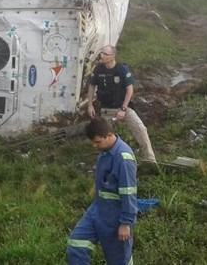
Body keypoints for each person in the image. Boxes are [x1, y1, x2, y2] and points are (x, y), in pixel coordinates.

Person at [67, 117, 138, 265]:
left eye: (97, 142)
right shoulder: (106, 151)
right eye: (93, 142)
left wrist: (126, 223)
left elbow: (128, 192)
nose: (95, 146)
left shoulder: (123, 158)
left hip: (115, 217)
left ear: (110, 135)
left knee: (119, 261)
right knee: (76, 244)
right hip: (97, 211)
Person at [86, 45, 156, 163]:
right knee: (103, 136)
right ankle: (106, 160)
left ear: (113, 56)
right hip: (106, 110)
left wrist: (123, 109)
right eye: (101, 53)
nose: (101, 56)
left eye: (105, 54)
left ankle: (150, 160)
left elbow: (130, 90)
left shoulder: (121, 69)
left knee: (141, 129)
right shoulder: (98, 69)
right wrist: (90, 105)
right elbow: (92, 86)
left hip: (123, 108)